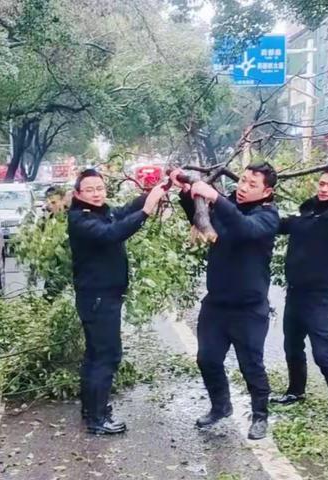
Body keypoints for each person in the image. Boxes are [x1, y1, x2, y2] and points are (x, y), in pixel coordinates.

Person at [171, 162, 279, 440]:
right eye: (242, 180)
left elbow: (243, 228)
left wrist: (214, 196)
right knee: (207, 359)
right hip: (216, 303)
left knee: (251, 365)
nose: (242, 187)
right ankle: (221, 406)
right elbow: (200, 219)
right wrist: (188, 193)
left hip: (249, 309)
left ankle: (260, 416)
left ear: (267, 191)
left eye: (252, 185)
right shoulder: (227, 205)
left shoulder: (268, 217)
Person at [68, 168, 167, 435]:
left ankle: (91, 410)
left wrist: (158, 190)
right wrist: (146, 210)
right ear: (77, 194)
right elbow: (113, 233)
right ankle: (98, 420)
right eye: (90, 189)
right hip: (98, 298)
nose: (97, 193)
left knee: (94, 355)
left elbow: (122, 213)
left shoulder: (101, 212)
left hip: (101, 297)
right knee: (107, 357)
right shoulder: (81, 219)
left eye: (100, 188)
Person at [270, 159, 328, 424]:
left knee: (322, 351)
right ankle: (296, 391)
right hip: (295, 293)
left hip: (318, 297)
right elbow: (275, 225)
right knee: (292, 345)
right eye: (322, 183)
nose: (325, 189)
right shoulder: (305, 213)